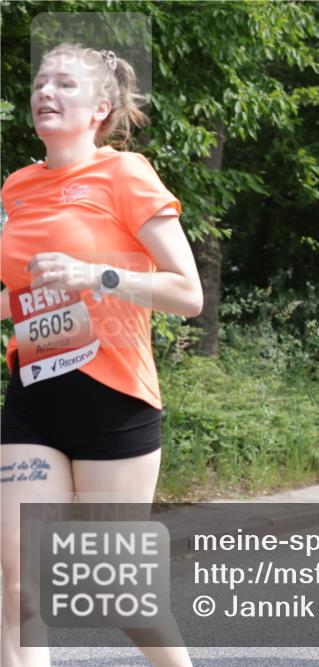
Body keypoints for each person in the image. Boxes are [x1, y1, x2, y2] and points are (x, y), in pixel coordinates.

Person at [1, 44, 201, 666]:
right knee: (17, 586)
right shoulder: (17, 187)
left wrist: (96, 275)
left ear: (100, 109)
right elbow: (19, 294)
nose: (45, 92)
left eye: (64, 83)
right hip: (34, 398)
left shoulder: (126, 174)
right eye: (40, 82)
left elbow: (188, 294)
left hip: (113, 398)